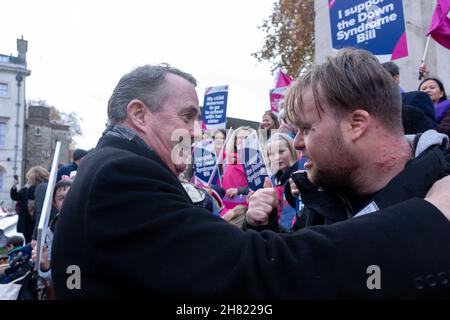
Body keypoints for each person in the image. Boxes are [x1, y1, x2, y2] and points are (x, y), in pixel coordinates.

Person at [52, 63, 450, 299]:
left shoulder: (113, 170)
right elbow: (255, 276)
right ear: (139, 114)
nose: (197, 132)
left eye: (306, 128)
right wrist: (430, 220)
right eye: (188, 116)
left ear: (358, 124)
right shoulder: (120, 176)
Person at [247, 48, 450, 232]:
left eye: (306, 129)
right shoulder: (322, 197)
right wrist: (265, 228)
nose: (297, 143)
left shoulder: (441, 199)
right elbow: (305, 265)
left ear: (356, 125)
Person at [10, 166, 50, 243]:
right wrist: (14, 187)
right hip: (29, 221)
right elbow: (16, 196)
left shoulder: (35, 189)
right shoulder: (29, 188)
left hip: (31, 222)